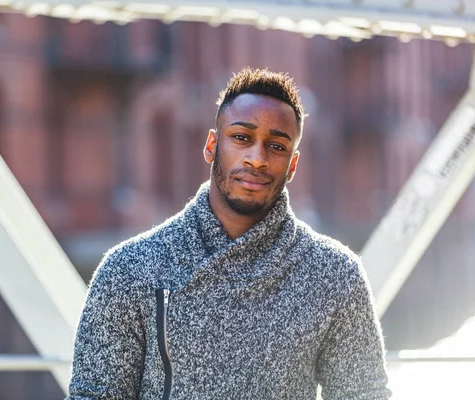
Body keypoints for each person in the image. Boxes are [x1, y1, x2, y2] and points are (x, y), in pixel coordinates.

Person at [67, 68, 391, 399]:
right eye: (241, 137)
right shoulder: (129, 269)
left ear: (292, 166)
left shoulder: (335, 274)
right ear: (212, 145)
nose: (257, 158)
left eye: (276, 146)